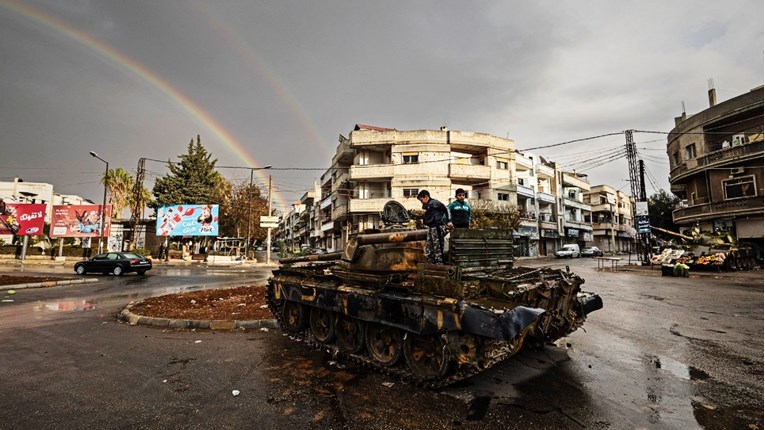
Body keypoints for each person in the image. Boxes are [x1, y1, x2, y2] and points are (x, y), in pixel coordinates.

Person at [417, 190, 451, 264]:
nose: (421, 202)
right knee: (430, 246)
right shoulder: (428, 206)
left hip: (437, 227)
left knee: (438, 247)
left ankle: (440, 264)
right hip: (430, 228)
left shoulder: (435, 203)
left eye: (421, 200)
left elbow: (446, 209)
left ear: (426, 197)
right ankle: (431, 262)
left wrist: (448, 220)